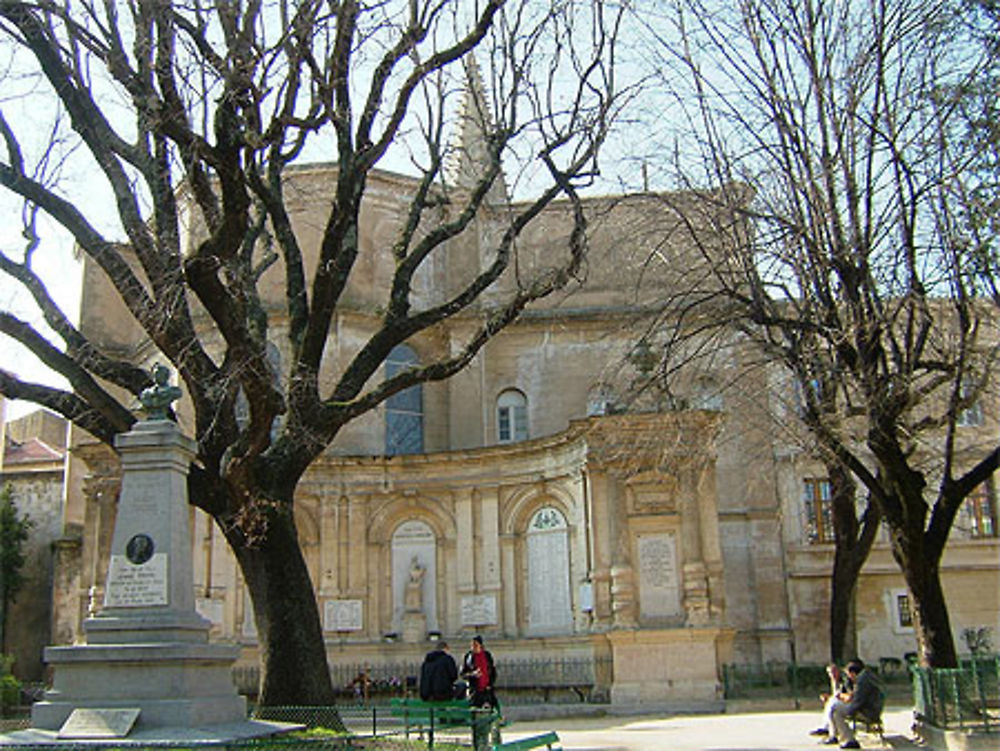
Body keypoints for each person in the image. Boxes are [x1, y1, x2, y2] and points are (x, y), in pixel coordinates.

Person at [824, 659, 883, 749]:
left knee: (836, 709)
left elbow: (857, 703)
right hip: (871, 708)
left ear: (853, 673)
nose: (849, 678)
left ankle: (848, 739)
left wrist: (848, 711)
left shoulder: (862, 682)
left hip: (868, 712)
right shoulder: (866, 677)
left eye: (849, 674)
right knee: (835, 708)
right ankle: (842, 737)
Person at [461, 635, 498, 710]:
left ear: (480, 645)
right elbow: (463, 674)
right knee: (475, 710)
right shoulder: (468, 657)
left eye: (475, 645)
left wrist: (490, 684)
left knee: (491, 708)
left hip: (487, 690)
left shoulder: (487, 656)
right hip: (475, 690)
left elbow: (492, 671)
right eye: (472, 645)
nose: (473, 647)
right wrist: (472, 674)